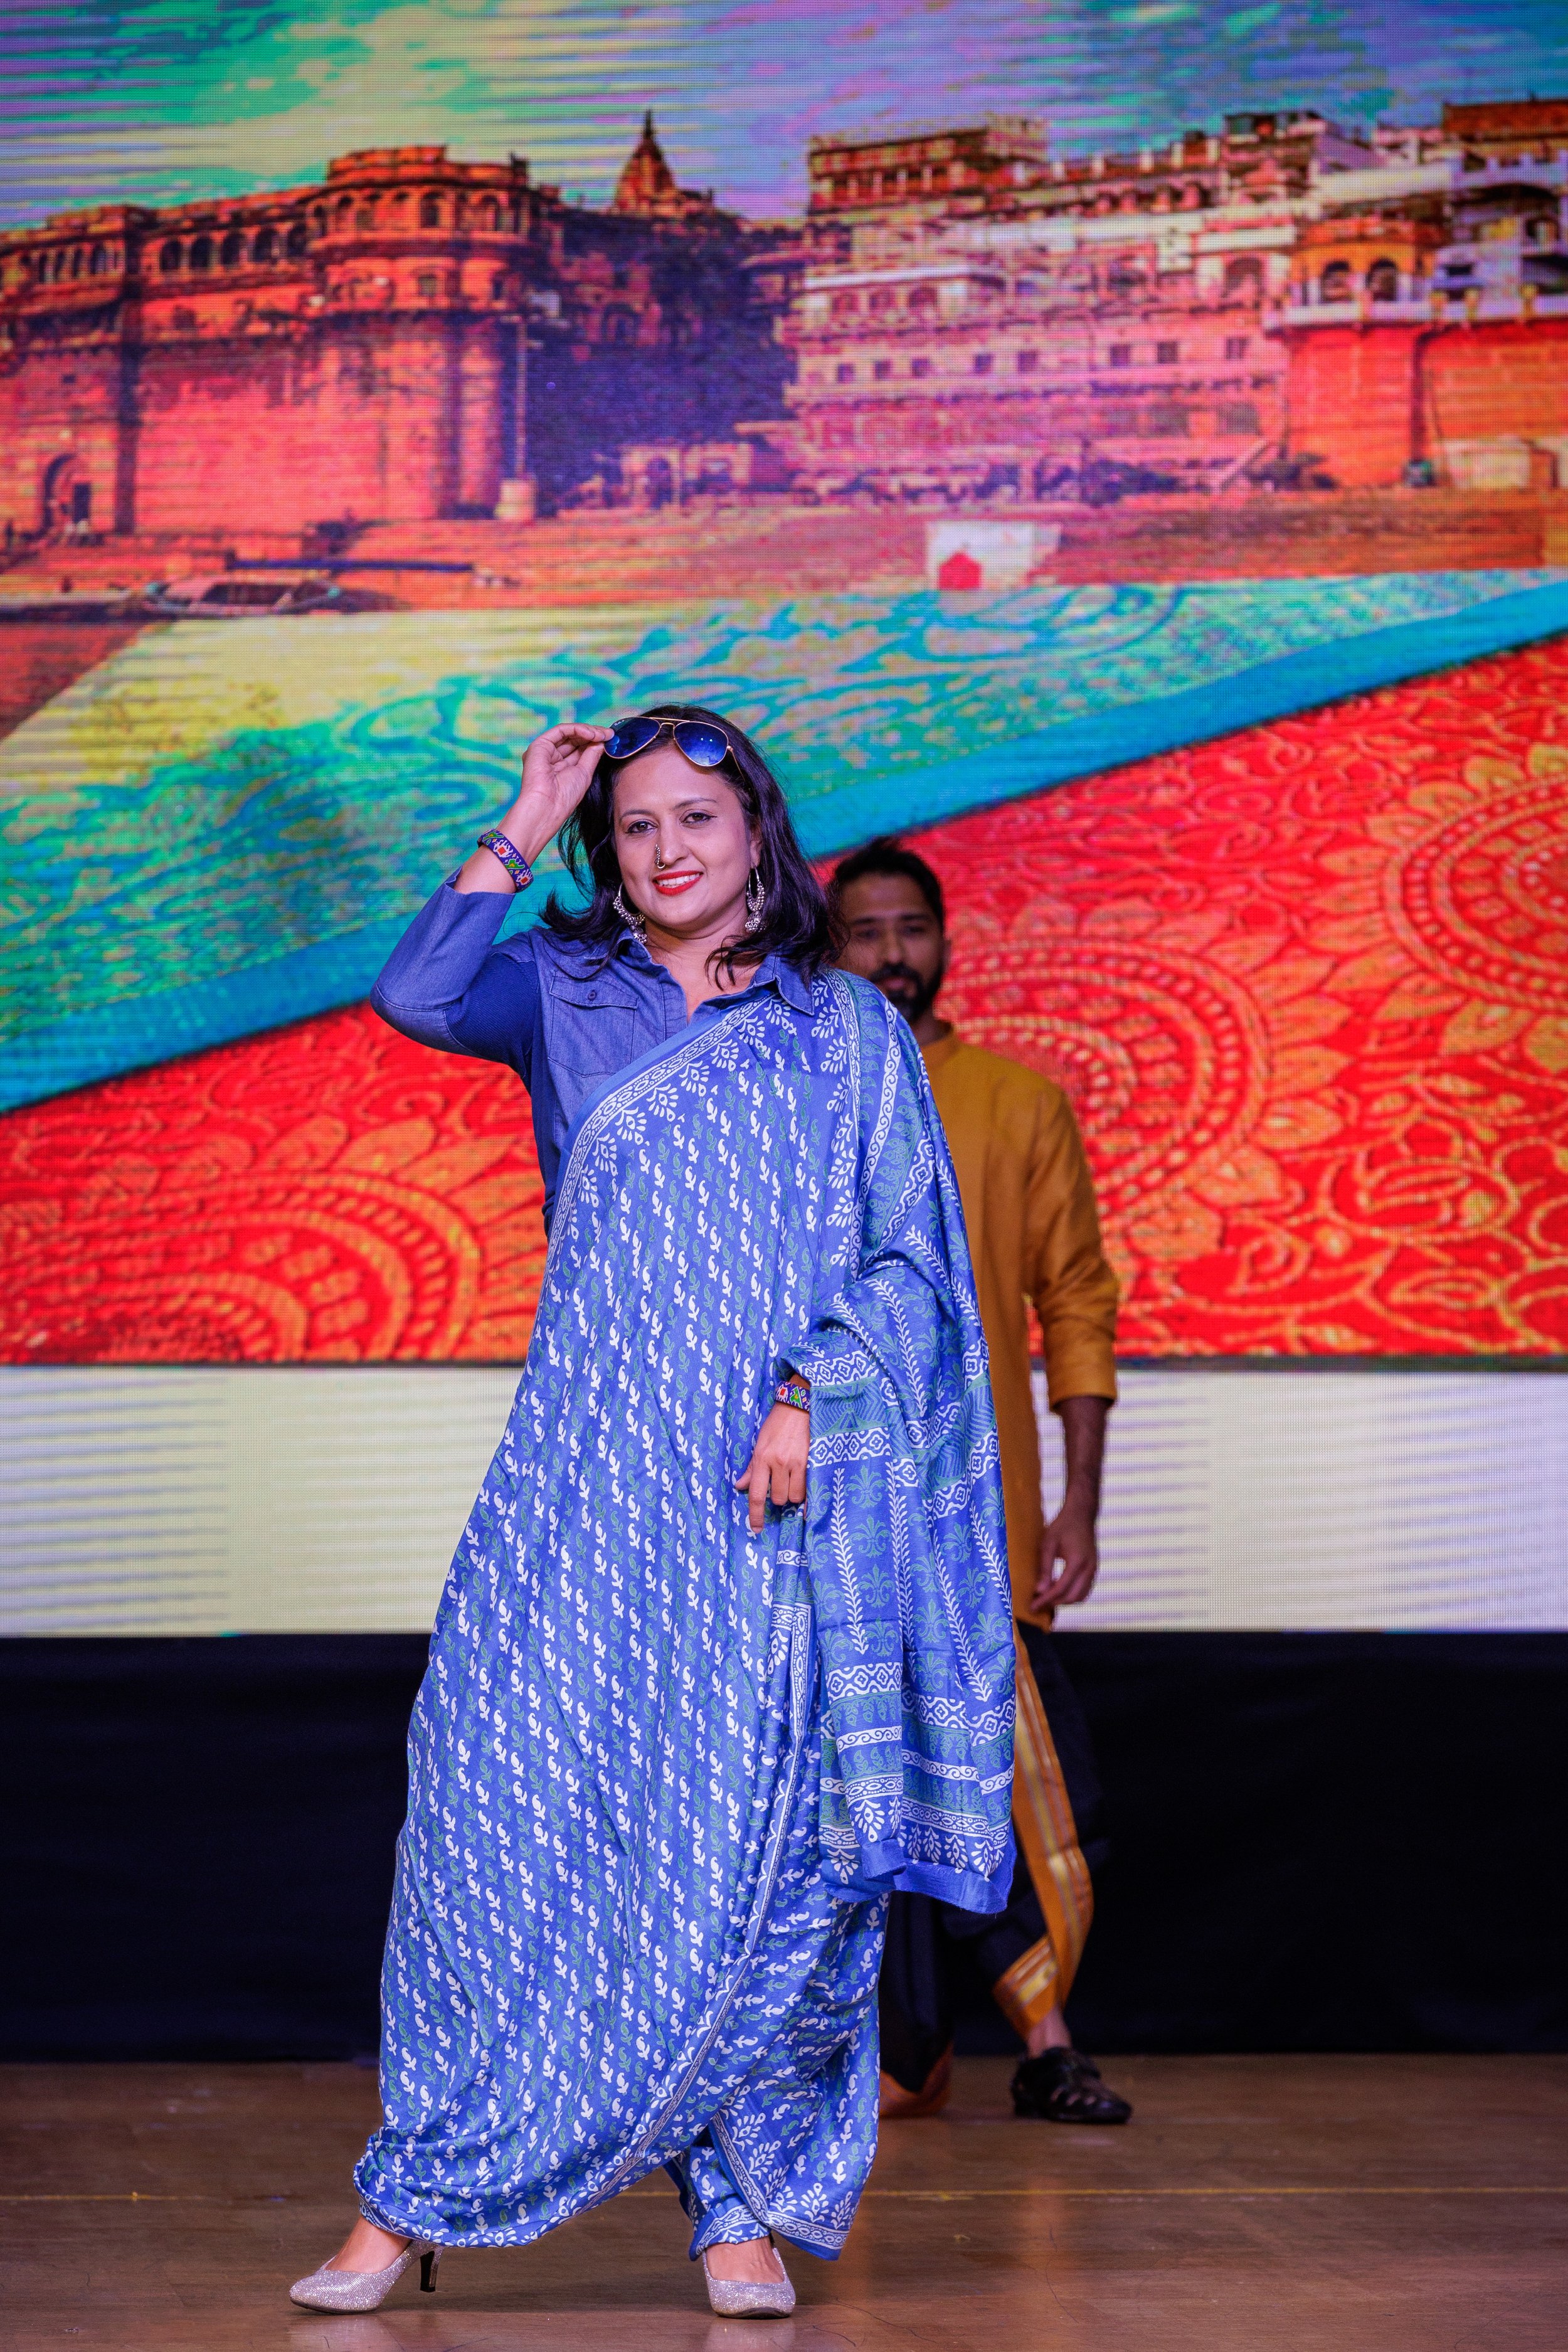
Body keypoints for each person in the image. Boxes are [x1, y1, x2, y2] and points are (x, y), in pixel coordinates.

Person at [288, 711, 1017, 2316]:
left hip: (762, 1510)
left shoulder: (840, 1028)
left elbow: (909, 1259)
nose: (667, 848)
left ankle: (736, 2209)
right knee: (491, 1820)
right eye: (632, 826)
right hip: (579, 1487)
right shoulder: (565, 989)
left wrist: (811, 1392)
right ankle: (418, 2191)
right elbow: (415, 996)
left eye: (696, 816)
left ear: (756, 829)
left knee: (754, 1851)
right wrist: (522, 815)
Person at [832, 837, 1131, 2127]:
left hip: (975, 1520)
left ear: (944, 942)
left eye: (910, 929)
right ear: (828, 949)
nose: (891, 955)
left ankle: (1048, 2041)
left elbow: (1076, 1304)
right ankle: (875, 2058)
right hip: (828, 1524)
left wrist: (1078, 1502)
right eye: (864, 933)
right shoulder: (799, 1103)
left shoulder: (1015, 1104)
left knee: (1023, 1792)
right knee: (847, 1797)